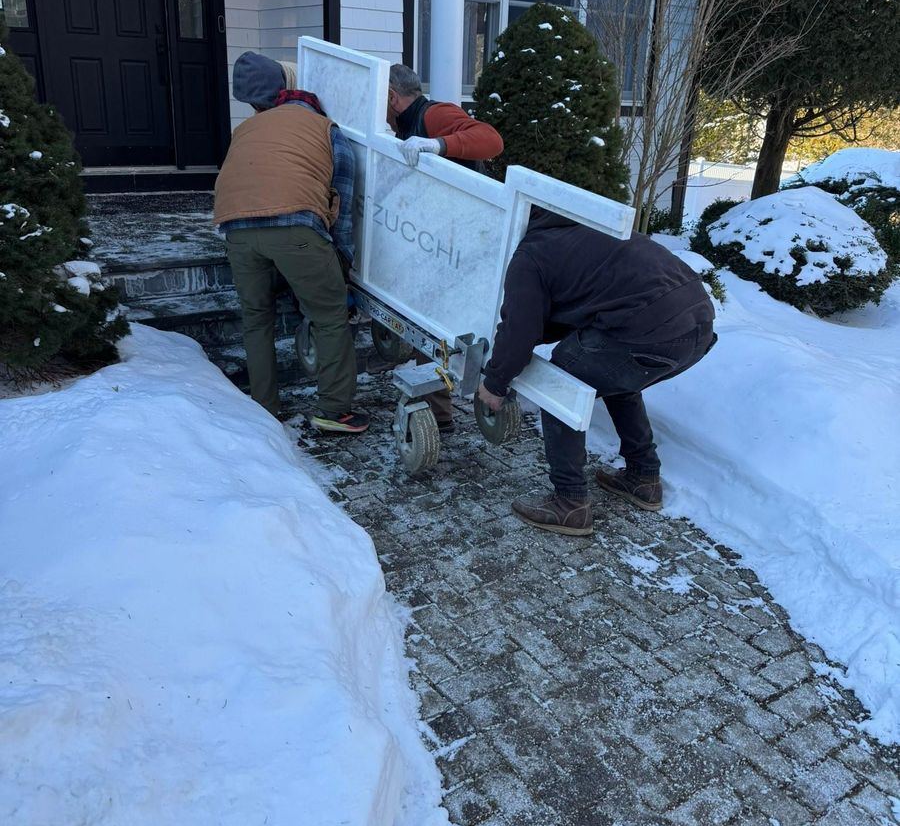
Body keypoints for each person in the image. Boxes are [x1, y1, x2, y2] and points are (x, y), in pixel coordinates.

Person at [477, 211, 717, 536]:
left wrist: (494, 382)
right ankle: (644, 476)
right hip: (698, 325)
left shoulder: (529, 255)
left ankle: (570, 503)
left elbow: (521, 330)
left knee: (562, 383)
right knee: (615, 373)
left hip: (654, 328)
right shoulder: (588, 229)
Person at [214, 51, 368, 434]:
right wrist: (341, 261)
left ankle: (265, 407)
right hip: (296, 225)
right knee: (329, 316)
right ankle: (335, 411)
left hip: (235, 228)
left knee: (256, 317)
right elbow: (343, 204)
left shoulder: (245, 131)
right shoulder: (326, 128)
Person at [387, 63, 504, 431]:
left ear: (392, 97)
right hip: (433, 235)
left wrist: (438, 144)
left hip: (463, 238)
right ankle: (440, 413)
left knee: (442, 321)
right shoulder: (402, 124)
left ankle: (448, 408)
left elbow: (491, 140)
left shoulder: (434, 113)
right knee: (429, 321)